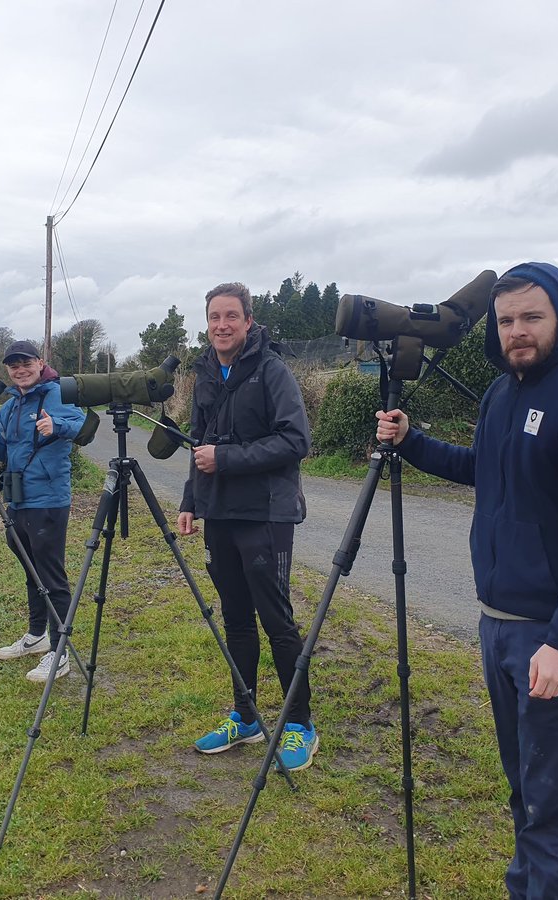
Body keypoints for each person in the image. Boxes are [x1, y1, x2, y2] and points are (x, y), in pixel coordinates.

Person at [375, 262, 558, 897]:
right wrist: (412, 441)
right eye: (507, 319)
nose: (518, 331)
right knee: (524, 789)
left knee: (548, 806)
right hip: (498, 625)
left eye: (531, 318)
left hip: (549, 636)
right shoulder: (500, 394)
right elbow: (481, 469)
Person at [176, 282, 317, 771]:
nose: (222, 325)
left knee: (276, 619)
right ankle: (246, 715)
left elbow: (296, 440)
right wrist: (191, 500)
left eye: (231, 316)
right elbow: (200, 443)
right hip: (219, 513)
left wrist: (227, 459)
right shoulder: (206, 374)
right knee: (235, 617)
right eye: (214, 316)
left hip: (266, 513)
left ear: (249, 321)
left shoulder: (272, 371)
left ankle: (299, 724)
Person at [0, 340, 85, 683]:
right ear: (7, 370)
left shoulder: (58, 394)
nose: (20, 369)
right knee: (31, 569)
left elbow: (85, 427)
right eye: (13, 365)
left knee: (51, 575)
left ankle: (59, 652)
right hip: (18, 498)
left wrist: (56, 426)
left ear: (40, 362)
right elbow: (4, 451)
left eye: (26, 362)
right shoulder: (9, 407)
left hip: (48, 498)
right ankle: (36, 636)